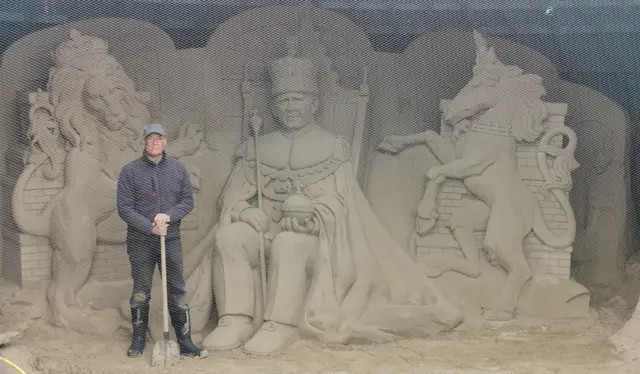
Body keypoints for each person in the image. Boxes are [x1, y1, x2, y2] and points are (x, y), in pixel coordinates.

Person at [203, 44, 462, 355]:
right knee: (229, 236)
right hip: (261, 231)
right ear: (272, 108)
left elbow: (343, 204)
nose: (290, 107)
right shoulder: (258, 146)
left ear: (314, 104)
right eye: (282, 101)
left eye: (297, 99)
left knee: (290, 243)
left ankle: (280, 324)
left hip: (312, 239)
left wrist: (311, 217)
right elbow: (232, 196)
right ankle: (236, 317)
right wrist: (245, 212)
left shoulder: (332, 147)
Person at [116, 123, 203, 358]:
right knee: (141, 291)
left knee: (177, 290)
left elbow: (187, 201)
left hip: (171, 239)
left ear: (165, 142)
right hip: (140, 241)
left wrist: (169, 216)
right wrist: (150, 227)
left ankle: (185, 343)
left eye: (158, 139)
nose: (154, 143)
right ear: (144, 142)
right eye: (150, 139)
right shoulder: (130, 171)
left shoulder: (178, 170)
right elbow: (124, 208)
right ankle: (138, 341)